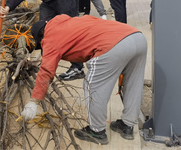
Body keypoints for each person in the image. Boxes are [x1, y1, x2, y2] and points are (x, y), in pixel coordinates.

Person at [21, 15, 147, 145]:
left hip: (112, 45)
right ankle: (127, 125)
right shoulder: (68, 22)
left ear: (41, 36)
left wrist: (34, 101)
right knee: (133, 84)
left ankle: (97, 131)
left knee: (92, 86)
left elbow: (46, 71)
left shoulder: (50, 37)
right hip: (136, 37)